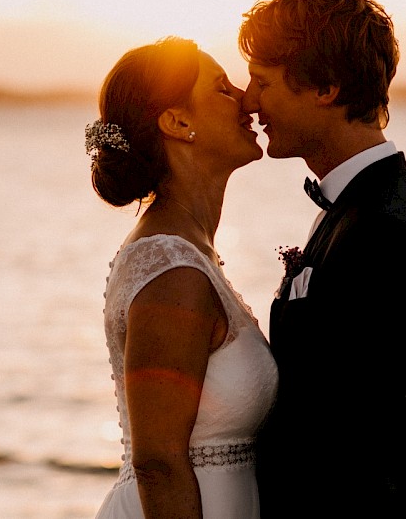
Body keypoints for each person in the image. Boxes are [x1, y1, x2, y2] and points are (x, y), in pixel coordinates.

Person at [239, 0, 406, 518]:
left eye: (263, 81)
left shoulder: (383, 234)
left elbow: (359, 455)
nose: (249, 101)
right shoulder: (367, 208)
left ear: (325, 88)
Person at [91, 37, 279, 518]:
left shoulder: (189, 251)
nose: (245, 98)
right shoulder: (171, 270)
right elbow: (158, 462)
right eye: (221, 88)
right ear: (178, 122)